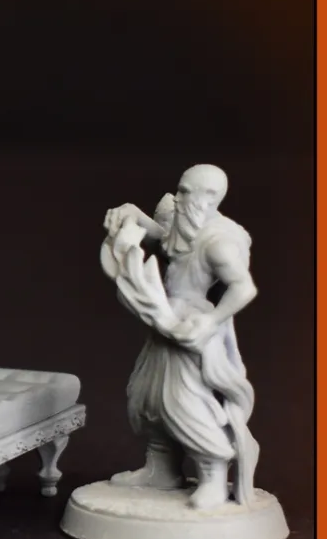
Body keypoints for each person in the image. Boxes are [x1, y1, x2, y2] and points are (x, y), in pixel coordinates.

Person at [103, 164, 259, 509]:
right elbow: (165, 239)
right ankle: (162, 469)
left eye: (186, 191)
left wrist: (210, 321)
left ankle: (213, 477)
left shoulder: (218, 243)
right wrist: (135, 215)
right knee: (147, 397)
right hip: (164, 321)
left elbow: (243, 287)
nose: (177, 197)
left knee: (185, 401)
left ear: (209, 197)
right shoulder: (187, 224)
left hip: (189, 326)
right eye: (180, 189)